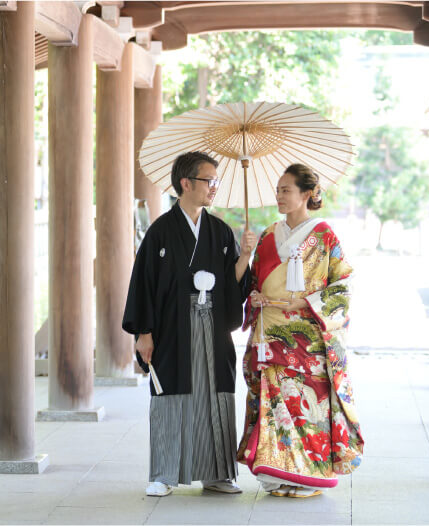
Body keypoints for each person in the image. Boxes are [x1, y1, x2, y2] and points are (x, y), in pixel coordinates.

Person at [123, 151, 256, 497]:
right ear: (186, 183)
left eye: (216, 181)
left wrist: (243, 257)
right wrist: (144, 332)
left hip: (212, 328)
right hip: (171, 329)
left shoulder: (221, 231)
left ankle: (217, 474)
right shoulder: (160, 233)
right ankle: (164, 474)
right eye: (208, 180)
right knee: (171, 397)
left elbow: (232, 284)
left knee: (215, 397)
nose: (214, 187)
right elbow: (144, 283)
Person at [238, 163, 363, 498]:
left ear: (307, 194)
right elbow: (253, 281)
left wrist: (306, 305)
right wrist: (254, 294)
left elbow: (344, 284)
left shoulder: (324, 236)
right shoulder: (266, 235)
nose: (279, 196)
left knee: (307, 407)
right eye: (278, 190)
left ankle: (310, 473)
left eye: (286, 190)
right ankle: (280, 473)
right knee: (276, 406)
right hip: (270, 332)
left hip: (307, 337)